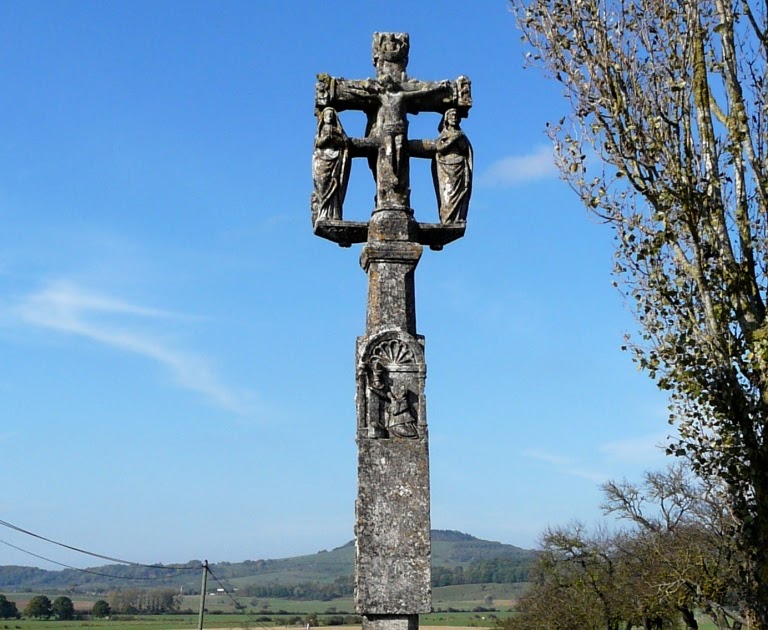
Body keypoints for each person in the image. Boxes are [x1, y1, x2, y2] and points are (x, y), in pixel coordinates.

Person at [432, 108, 473, 223]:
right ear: (446, 119)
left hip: (459, 165)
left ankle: (458, 217)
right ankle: (447, 219)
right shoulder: (444, 135)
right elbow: (440, 148)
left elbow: (465, 149)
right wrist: (453, 139)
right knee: (448, 194)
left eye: (456, 116)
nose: (454, 118)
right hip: (445, 167)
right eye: (451, 116)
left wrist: (459, 140)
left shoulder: (461, 135)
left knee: (461, 191)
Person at [311, 107, 350, 222]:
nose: (329, 117)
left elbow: (345, 142)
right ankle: (322, 212)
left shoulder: (337, 130)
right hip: (322, 160)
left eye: (331, 115)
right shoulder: (321, 129)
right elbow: (317, 143)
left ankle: (333, 214)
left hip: (335, 158)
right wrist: (327, 138)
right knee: (322, 185)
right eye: (327, 115)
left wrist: (334, 137)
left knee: (334, 185)